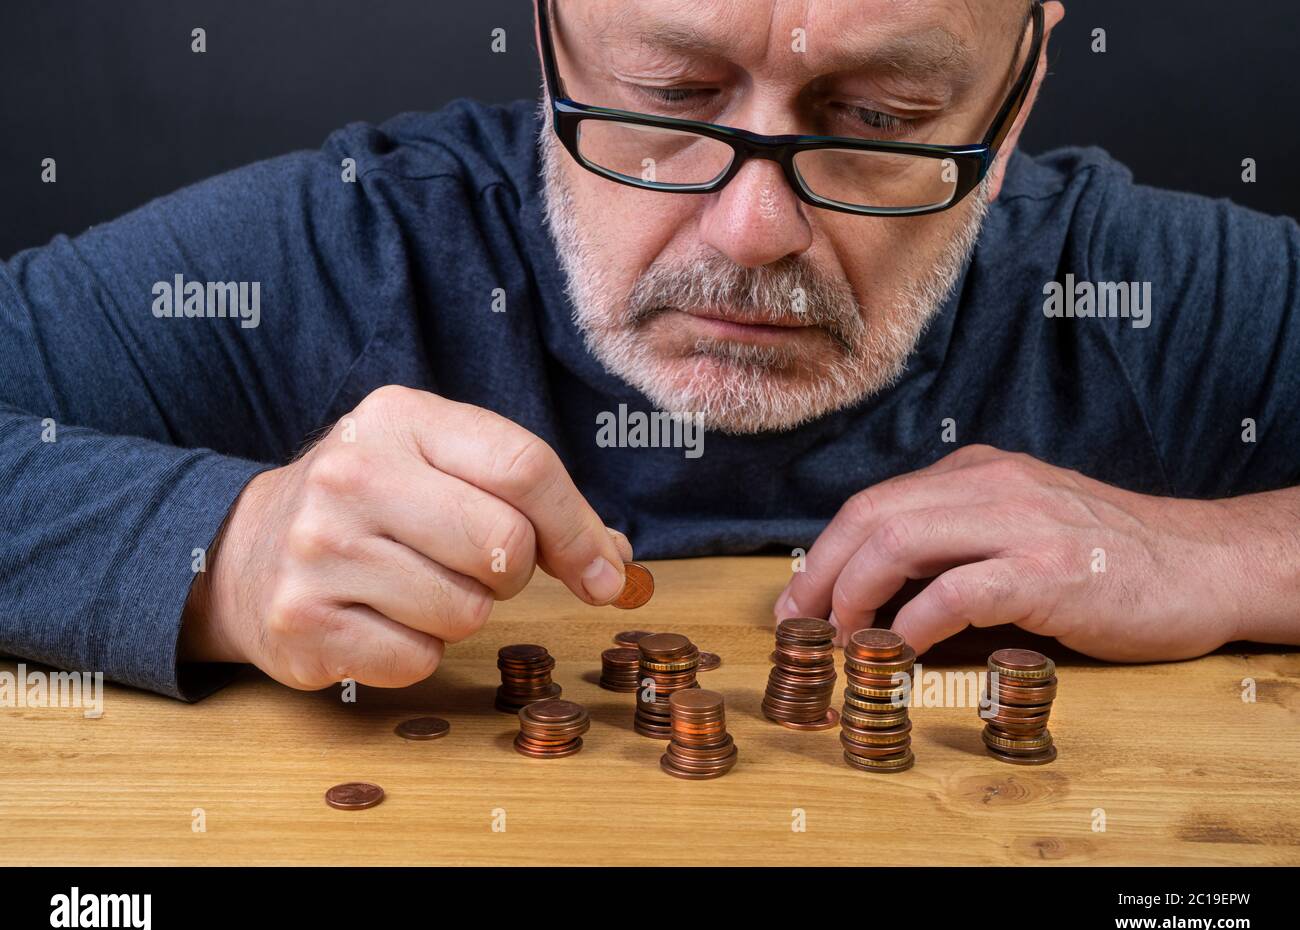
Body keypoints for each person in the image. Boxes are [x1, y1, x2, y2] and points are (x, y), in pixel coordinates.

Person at [1, 0, 1296, 702]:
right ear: (550, 37)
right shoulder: (335, 246)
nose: (755, 226)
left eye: (881, 119)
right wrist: (222, 548)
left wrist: (1228, 554)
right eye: (670, 96)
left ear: (1016, 96)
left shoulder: (1147, 293)